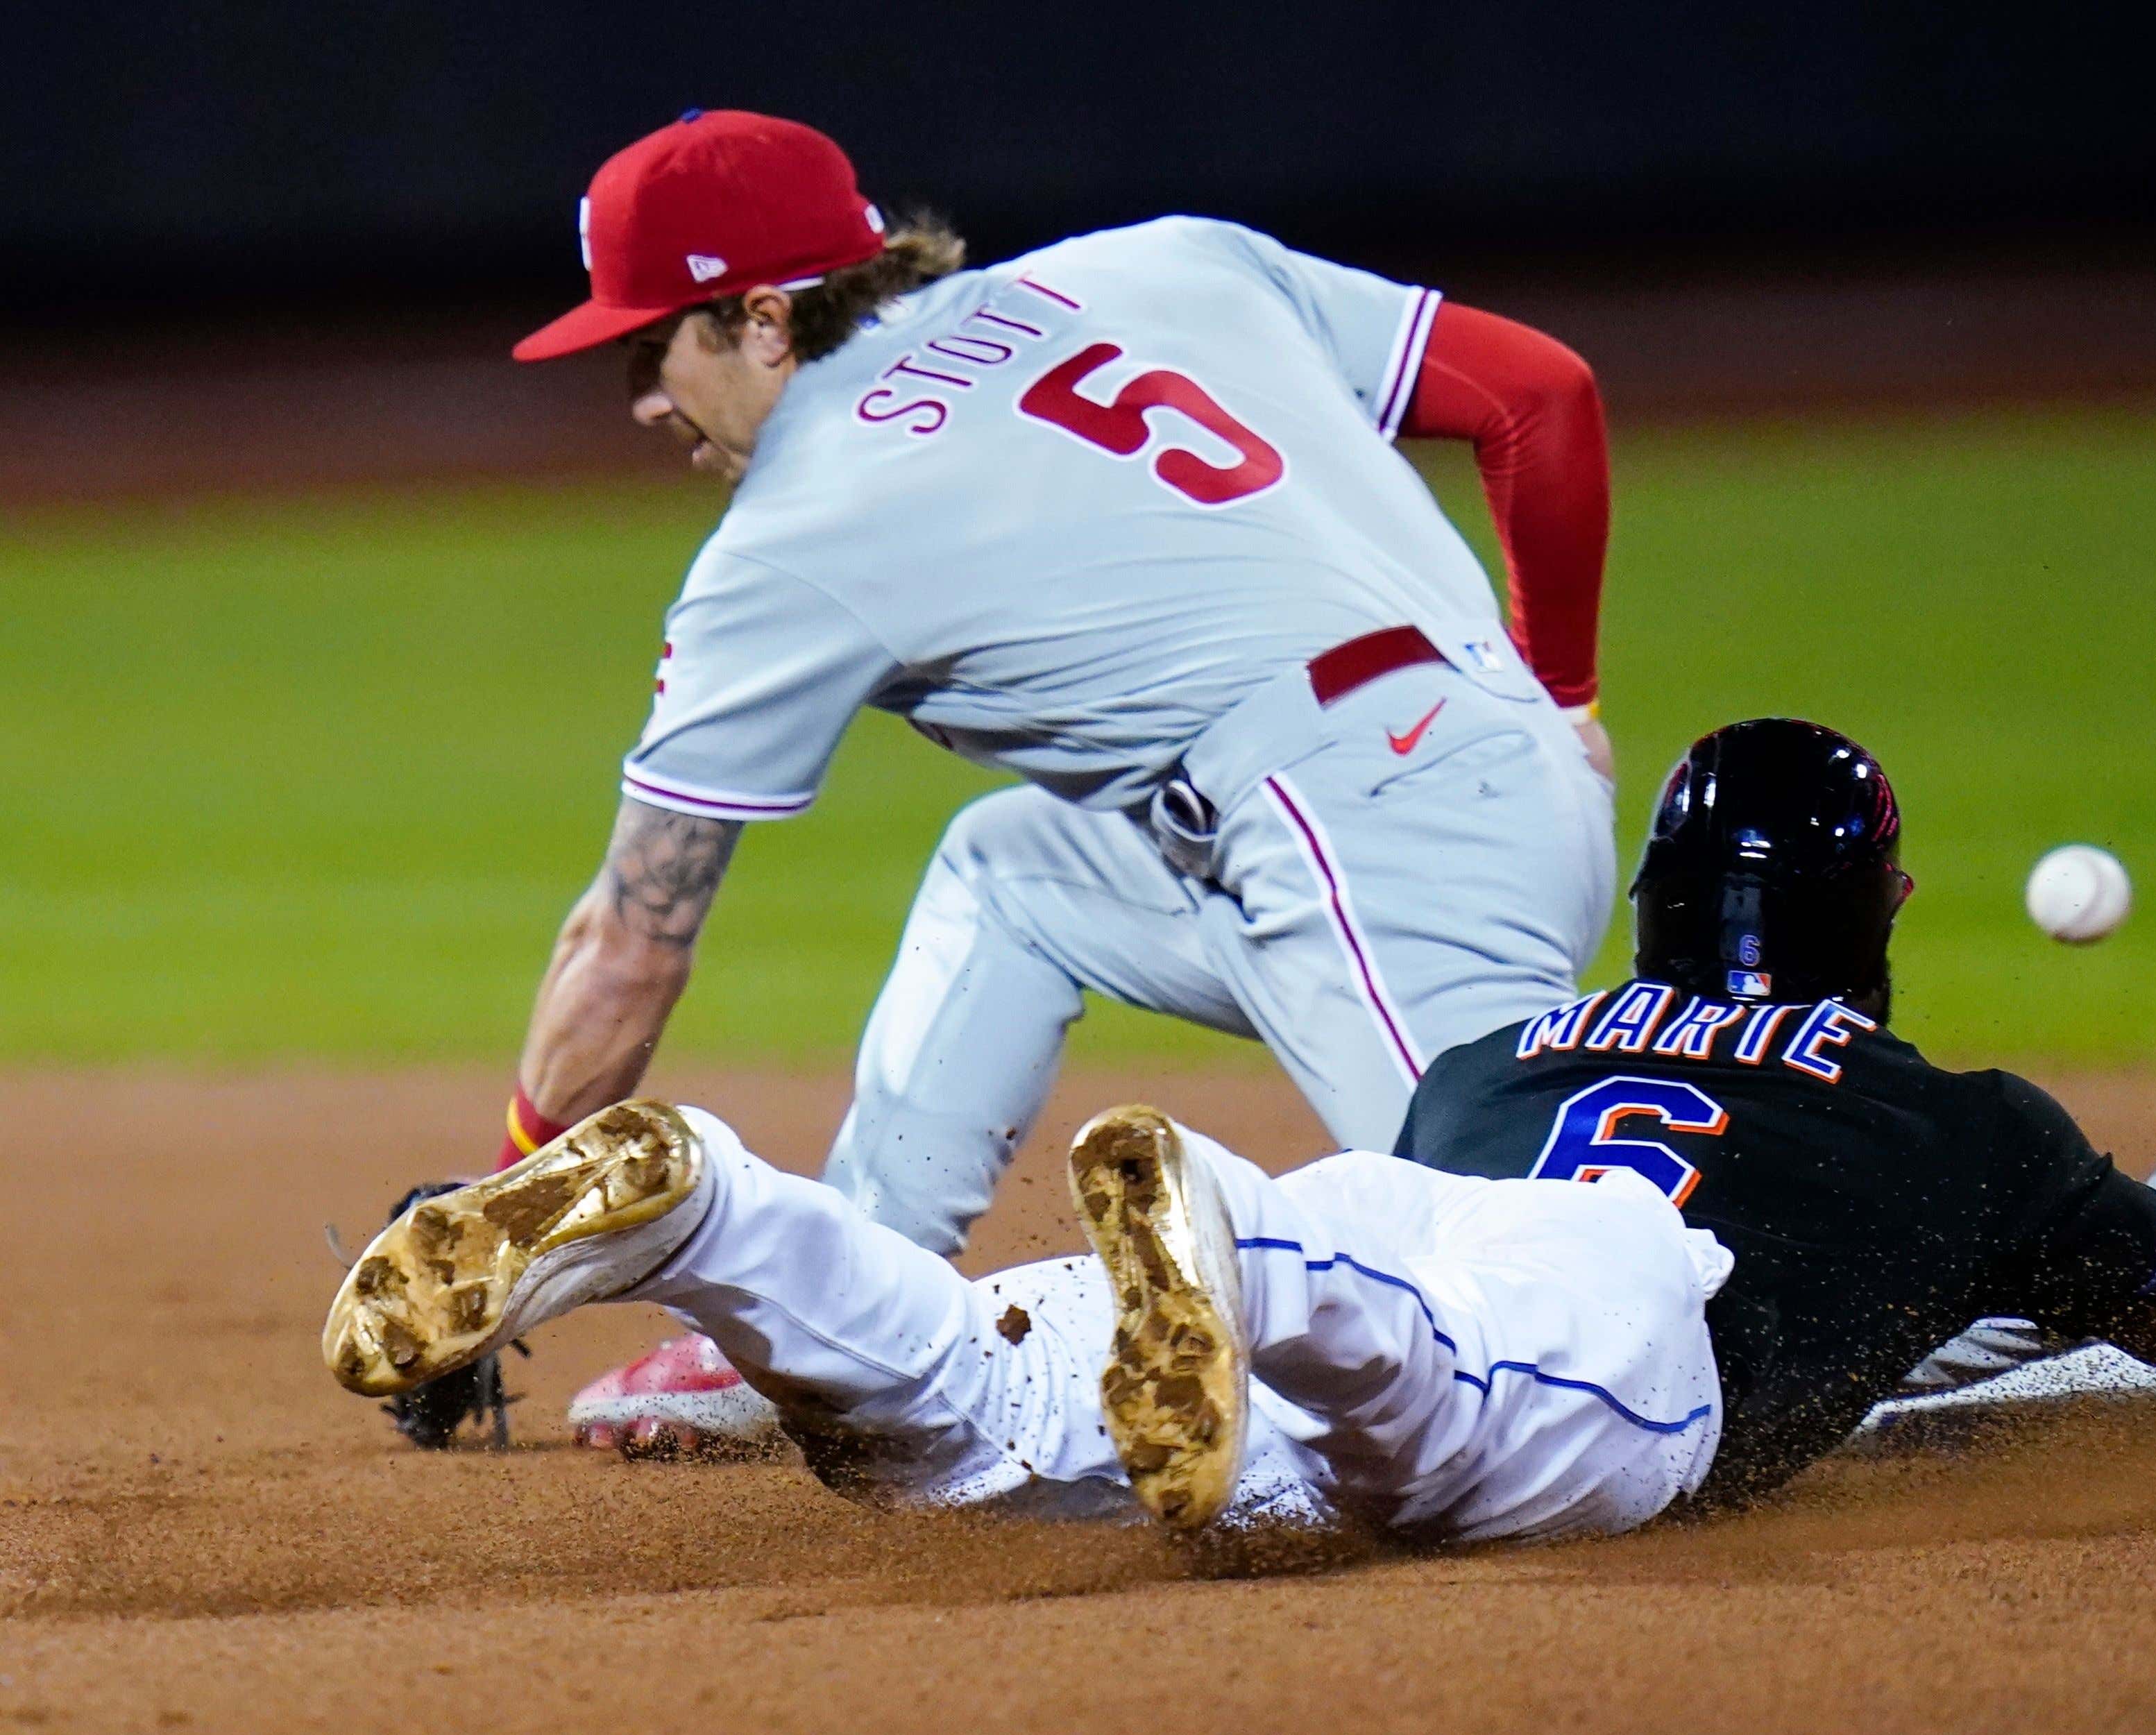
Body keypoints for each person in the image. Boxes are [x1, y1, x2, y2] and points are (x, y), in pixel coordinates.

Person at [328, 720, 2156, 1540]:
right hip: (1570, 1320)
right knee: (1436, 1417)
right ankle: (1235, 1243)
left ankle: (713, 1204)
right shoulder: (1971, 1130)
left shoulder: (1500, 1052)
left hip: (1387, 1204)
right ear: (1880, 914)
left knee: (958, 1421)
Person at [384, 108, 1622, 1455]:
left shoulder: (801, 525)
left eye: (650, 346)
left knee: (1551, 1302)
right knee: (1014, 871)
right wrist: (1563, 695)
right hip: (1448, 777)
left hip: (1370, 841)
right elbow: (1537, 394)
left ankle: (1873, 1349)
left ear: (759, 321)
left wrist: (504, 1214)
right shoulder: (1166, 264)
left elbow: (629, 941)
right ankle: (836, 1324)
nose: (640, 396)